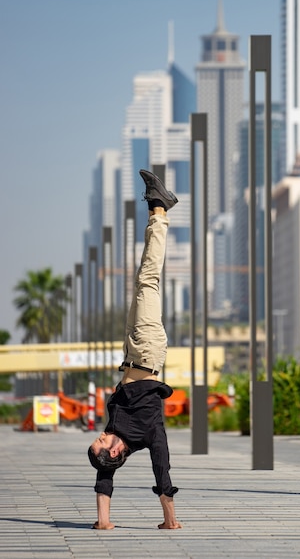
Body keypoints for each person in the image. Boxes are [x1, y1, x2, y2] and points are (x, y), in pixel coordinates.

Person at [87, 169, 182, 531]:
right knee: (148, 277)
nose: (100, 434)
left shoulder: (116, 429)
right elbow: (163, 467)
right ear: (115, 451)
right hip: (147, 351)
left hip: (132, 350)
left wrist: (103, 522)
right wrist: (170, 520)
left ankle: (159, 208)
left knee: (142, 282)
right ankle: (160, 208)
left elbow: (103, 476)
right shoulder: (146, 431)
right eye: (101, 443)